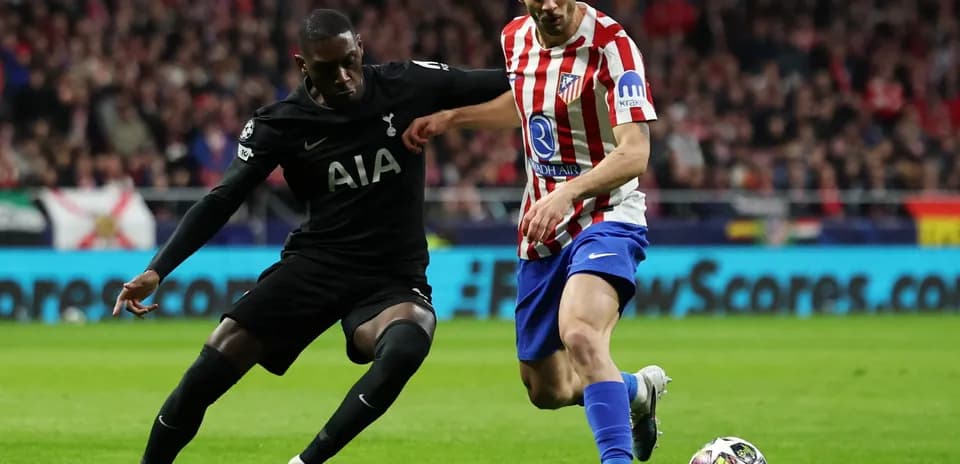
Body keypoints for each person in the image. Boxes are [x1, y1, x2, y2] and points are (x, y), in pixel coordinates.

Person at [112, 9, 509, 464]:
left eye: (349, 61)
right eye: (327, 68)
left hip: (392, 275)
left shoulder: (407, 84)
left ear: (360, 48)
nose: (343, 77)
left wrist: (455, 117)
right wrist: (157, 270)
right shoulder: (281, 123)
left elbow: (514, 82)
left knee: (408, 343)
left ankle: (305, 462)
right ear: (302, 65)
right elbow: (222, 199)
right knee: (210, 367)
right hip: (316, 264)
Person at [402, 1, 670, 463]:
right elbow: (528, 100)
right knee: (547, 389)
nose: (548, 5)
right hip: (543, 228)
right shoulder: (515, 37)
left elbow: (634, 153)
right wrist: (453, 118)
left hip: (606, 214)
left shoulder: (613, 47)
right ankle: (635, 390)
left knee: (581, 333)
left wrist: (569, 193)